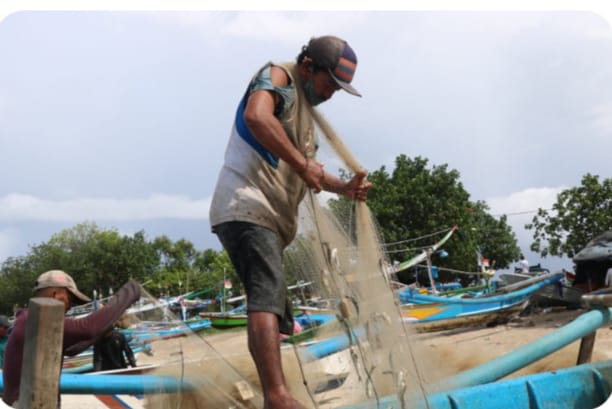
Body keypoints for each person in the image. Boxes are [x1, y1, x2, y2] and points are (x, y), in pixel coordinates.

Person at [209, 35, 372, 409]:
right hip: (245, 204)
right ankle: (277, 397)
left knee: (277, 308)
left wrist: (345, 188)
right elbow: (256, 116)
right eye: (330, 83)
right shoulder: (278, 76)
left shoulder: (305, 121)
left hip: (263, 214)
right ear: (308, 66)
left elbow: (309, 173)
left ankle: (276, 391)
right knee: (266, 294)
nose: (331, 94)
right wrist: (302, 164)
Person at [2, 270, 141, 407]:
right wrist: (131, 291)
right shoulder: (38, 318)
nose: (70, 307)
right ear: (55, 294)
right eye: (70, 299)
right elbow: (88, 327)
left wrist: (105, 327)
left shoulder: (28, 318)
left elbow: (72, 349)